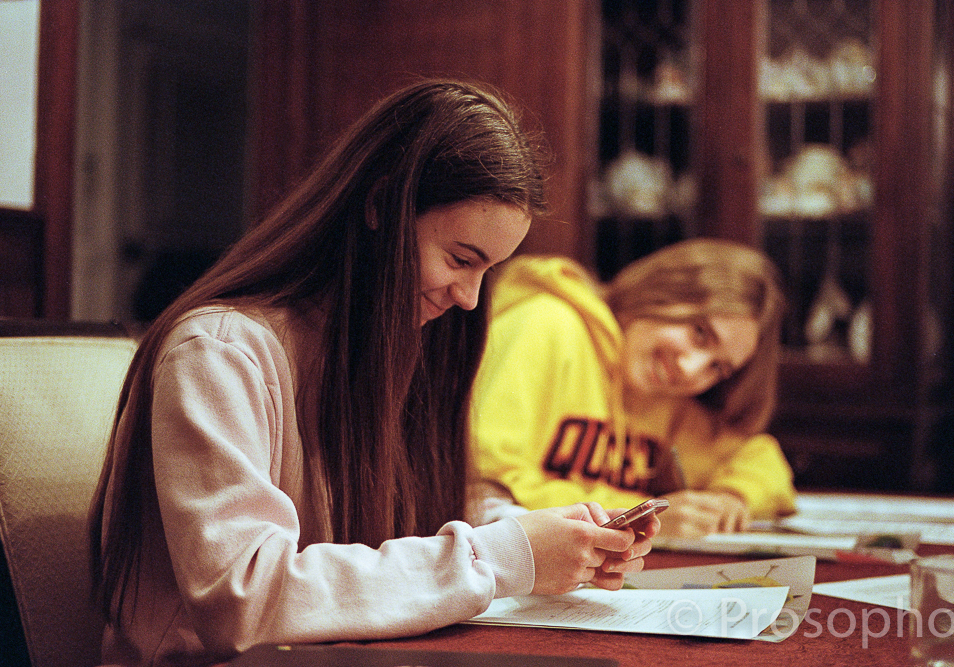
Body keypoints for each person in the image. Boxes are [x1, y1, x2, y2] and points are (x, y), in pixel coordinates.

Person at [88, 79, 658, 667]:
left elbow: (423, 511)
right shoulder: (219, 353)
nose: (469, 297)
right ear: (380, 208)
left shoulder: (394, 345)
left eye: (488, 271)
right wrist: (503, 555)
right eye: (461, 260)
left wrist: (538, 532)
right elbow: (245, 599)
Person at [470, 238, 797, 539]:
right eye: (699, 332)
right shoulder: (545, 323)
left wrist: (731, 496)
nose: (690, 369)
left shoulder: (669, 397)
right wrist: (638, 517)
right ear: (662, 290)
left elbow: (763, 459)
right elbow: (482, 479)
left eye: (718, 367)